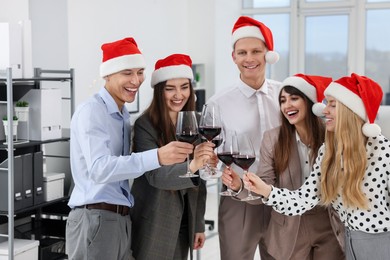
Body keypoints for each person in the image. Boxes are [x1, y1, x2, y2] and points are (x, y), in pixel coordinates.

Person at [65, 38, 195, 260]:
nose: (136, 80)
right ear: (107, 75)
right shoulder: (93, 111)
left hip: (121, 219)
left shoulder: (123, 115)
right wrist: (158, 156)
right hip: (96, 218)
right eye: (127, 73)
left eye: (140, 72)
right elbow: (99, 169)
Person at [244, 73, 390, 260]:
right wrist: (266, 191)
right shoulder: (329, 151)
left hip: (381, 243)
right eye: (326, 103)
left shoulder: (383, 151)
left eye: (332, 105)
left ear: (349, 110)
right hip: (349, 241)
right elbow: (303, 200)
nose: (324, 110)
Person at [223, 74, 345, 259]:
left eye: (294, 98)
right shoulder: (273, 139)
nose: (287, 105)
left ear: (310, 101)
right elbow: (265, 187)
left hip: (328, 225)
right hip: (289, 229)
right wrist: (239, 186)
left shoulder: (331, 137)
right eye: (283, 100)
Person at [207, 16, 281, 260]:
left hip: (281, 198)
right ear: (234, 57)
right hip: (238, 201)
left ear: (267, 54)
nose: (249, 58)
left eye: (256, 51)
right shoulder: (219, 103)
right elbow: (210, 156)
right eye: (242, 52)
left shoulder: (285, 95)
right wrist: (223, 173)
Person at [130, 54, 216, 260]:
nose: (179, 94)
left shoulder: (193, 123)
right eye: (170, 88)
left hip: (185, 221)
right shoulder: (145, 126)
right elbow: (156, 177)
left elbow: (198, 183)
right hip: (155, 221)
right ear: (160, 91)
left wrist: (198, 224)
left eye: (184, 87)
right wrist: (194, 163)